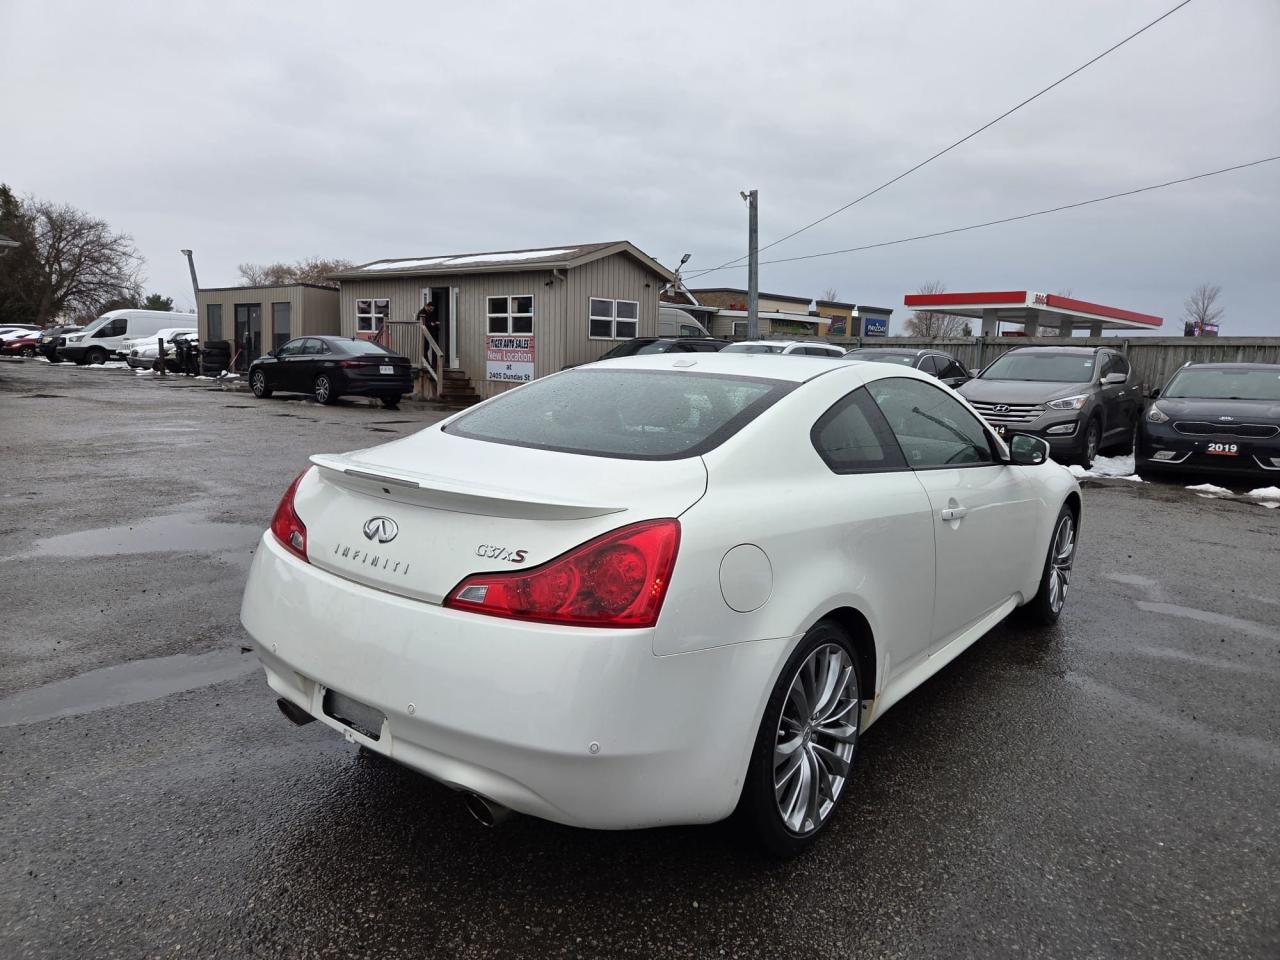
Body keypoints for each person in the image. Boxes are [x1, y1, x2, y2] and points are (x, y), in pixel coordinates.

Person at [418, 300, 441, 371]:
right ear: (427, 307)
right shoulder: (422, 313)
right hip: (424, 333)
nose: (431, 310)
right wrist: (430, 324)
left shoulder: (430, 313)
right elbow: (421, 322)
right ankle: (427, 364)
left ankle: (432, 365)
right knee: (425, 348)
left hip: (431, 333)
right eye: (431, 309)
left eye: (432, 309)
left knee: (431, 348)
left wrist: (435, 323)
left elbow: (432, 320)